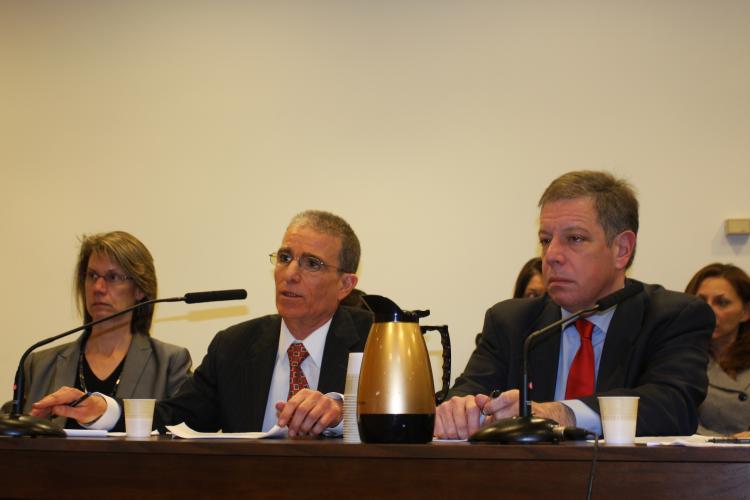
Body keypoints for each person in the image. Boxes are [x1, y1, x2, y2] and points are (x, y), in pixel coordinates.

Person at [31, 210, 371, 437]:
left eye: (311, 264)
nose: (290, 274)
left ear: (345, 285)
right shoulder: (234, 346)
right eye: (284, 258)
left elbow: (406, 419)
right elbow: (174, 419)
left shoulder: (378, 340)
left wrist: (341, 409)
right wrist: (103, 408)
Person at [435, 170, 714, 439]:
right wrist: (460, 410)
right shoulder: (511, 322)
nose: (552, 255)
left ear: (622, 249)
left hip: (632, 483)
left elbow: (672, 406)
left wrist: (560, 413)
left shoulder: (672, 316)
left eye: (575, 239)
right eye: (545, 240)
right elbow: (471, 391)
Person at [23, 231, 192, 429]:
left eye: (112, 277)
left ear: (140, 290)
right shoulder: (41, 364)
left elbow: (183, 433)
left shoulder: (169, 363)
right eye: (92, 276)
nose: (98, 287)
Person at [685, 263, 750, 435]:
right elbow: (676, 419)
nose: (709, 310)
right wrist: (728, 444)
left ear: (745, 312)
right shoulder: (678, 358)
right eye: (701, 301)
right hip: (700, 457)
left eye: (722, 303)